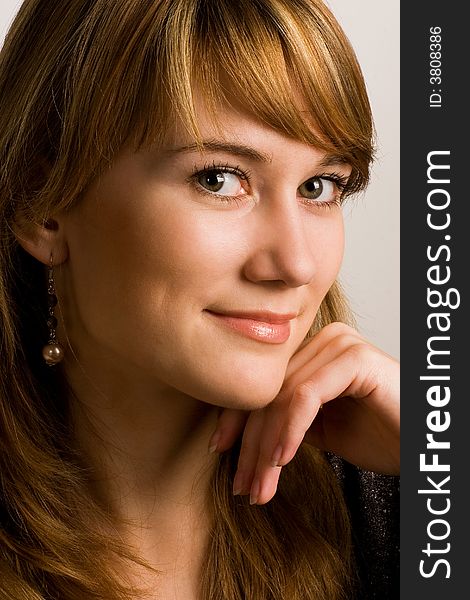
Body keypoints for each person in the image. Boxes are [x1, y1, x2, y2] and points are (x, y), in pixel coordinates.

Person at [0, 0, 399, 598]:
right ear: (41, 204)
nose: (296, 264)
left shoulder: (394, 507)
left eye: (320, 187)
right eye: (219, 178)